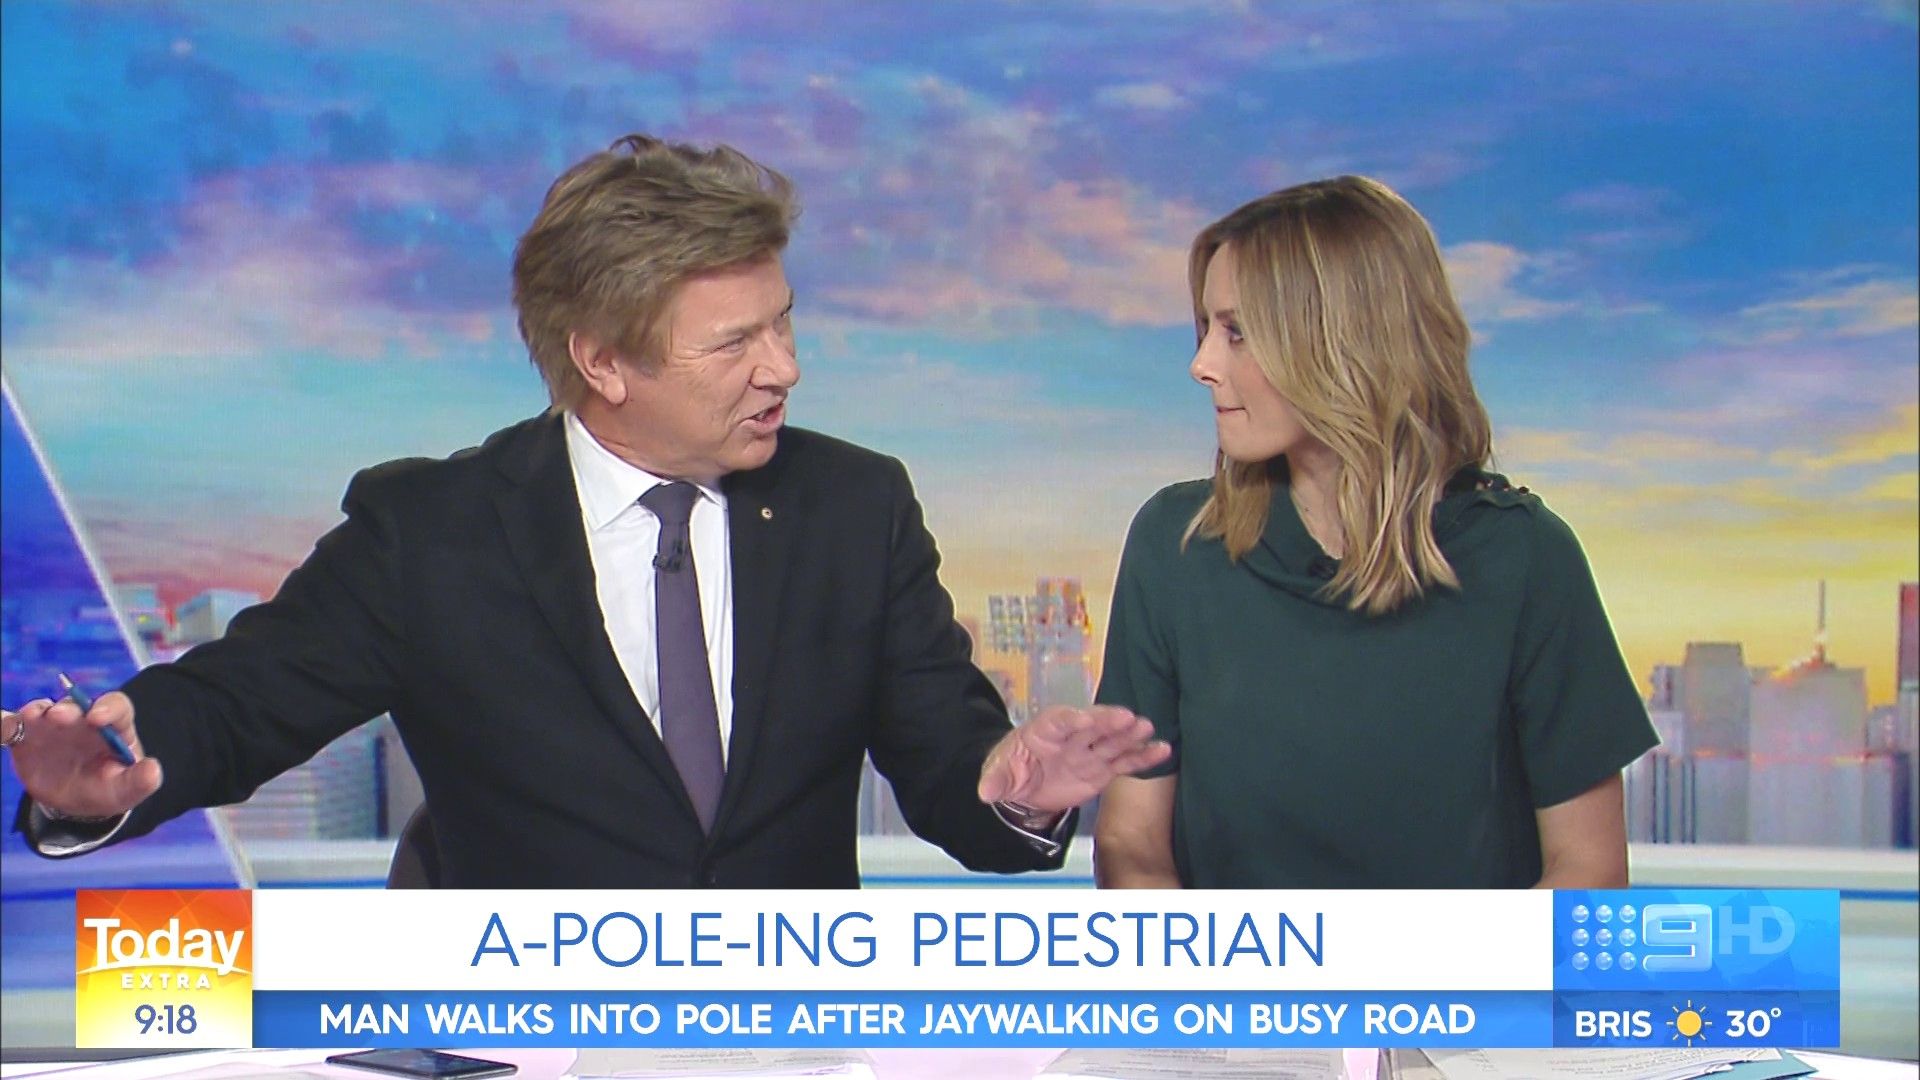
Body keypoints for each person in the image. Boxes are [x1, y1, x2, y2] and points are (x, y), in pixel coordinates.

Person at [2, 134, 1168, 887]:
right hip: (515, 1039)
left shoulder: (854, 507)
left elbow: (949, 758)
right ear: (603, 359)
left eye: (783, 322)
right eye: (735, 342)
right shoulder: (431, 531)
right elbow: (240, 701)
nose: (785, 368)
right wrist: (108, 771)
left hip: (786, 1043)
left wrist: (1011, 786)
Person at [1092, 176, 1656, 890]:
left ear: (1342, 343)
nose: (1201, 365)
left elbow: (1587, 869)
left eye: (1237, 332)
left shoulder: (1526, 560)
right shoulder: (1175, 545)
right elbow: (1131, 841)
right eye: (1206, 329)